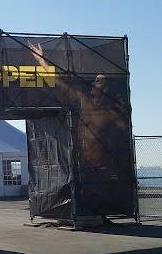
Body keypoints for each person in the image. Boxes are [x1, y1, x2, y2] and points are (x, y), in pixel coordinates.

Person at [28, 41, 129, 176]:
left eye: (98, 81)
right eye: (94, 80)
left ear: (106, 88)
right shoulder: (83, 102)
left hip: (105, 171)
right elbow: (59, 82)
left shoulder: (111, 114)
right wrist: (41, 60)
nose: (93, 83)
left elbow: (122, 142)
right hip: (84, 170)